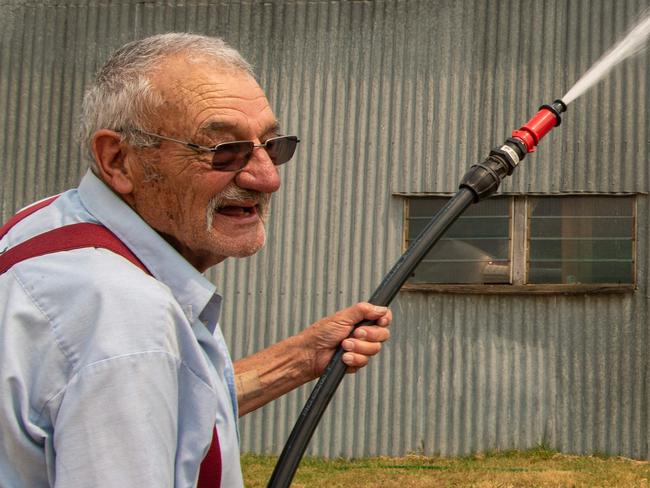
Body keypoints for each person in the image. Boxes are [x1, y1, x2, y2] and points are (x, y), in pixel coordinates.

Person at [0, 33, 391, 487]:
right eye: (223, 151)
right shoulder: (124, 317)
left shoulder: (44, 224)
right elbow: (130, 366)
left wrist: (298, 359)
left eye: (272, 145)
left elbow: (157, 406)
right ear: (118, 160)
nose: (266, 178)